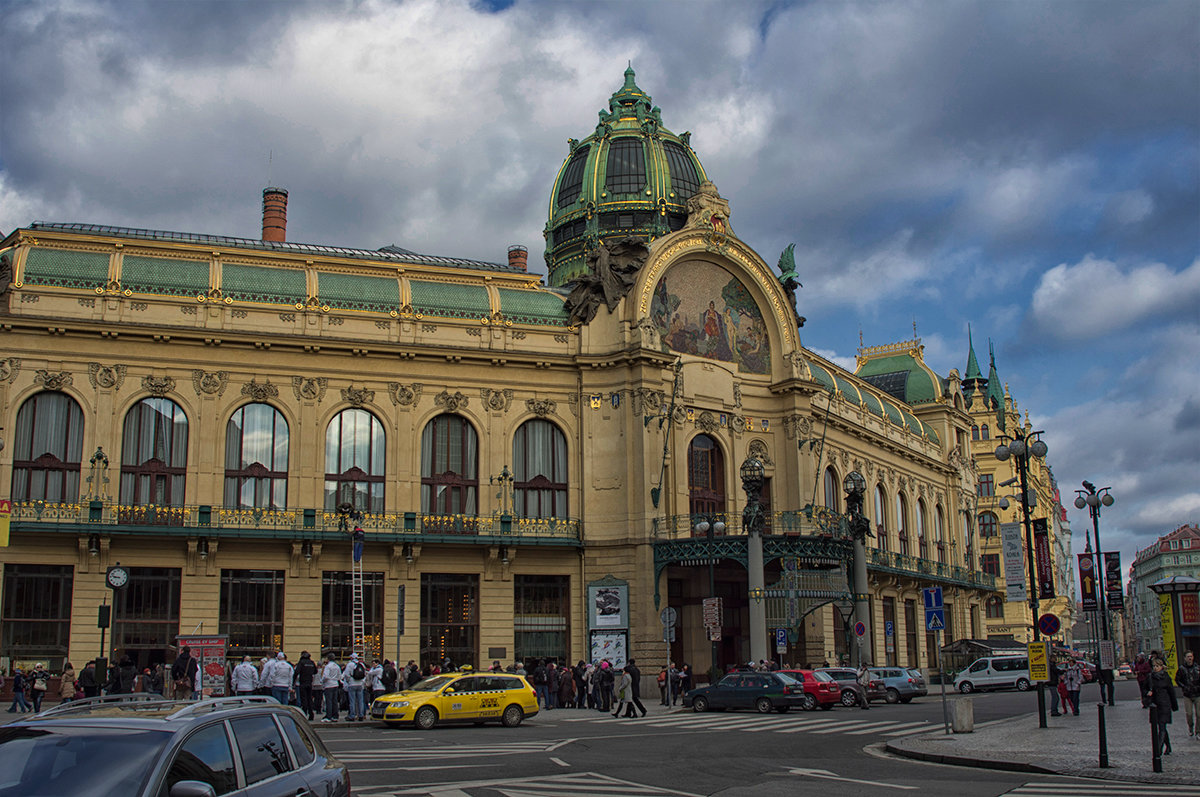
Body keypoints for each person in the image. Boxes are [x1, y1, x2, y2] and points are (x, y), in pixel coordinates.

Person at [1146, 657, 1179, 756]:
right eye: (1154, 666)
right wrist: (1148, 694)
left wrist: (1174, 705)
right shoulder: (1150, 677)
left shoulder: (1166, 677)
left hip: (1165, 704)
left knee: (1162, 726)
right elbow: (1144, 689)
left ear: (1161, 667)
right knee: (1160, 726)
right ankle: (1168, 746)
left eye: (1157, 666)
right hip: (1155, 705)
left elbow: (1171, 692)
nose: (1155, 668)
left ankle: (1158, 749)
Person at [1174, 650, 1200, 737]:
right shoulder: (1182, 669)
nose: (1190, 658)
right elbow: (1177, 679)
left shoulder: (1197, 667)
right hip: (1187, 694)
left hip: (1197, 693)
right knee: (1189, 714)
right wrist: (1184, 687)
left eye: (1191, 656)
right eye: (1188, 657)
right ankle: (1191, 727)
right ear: (1185, 658)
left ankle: (1198, 730)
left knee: (1199, 714)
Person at [294, 651, 319, 721]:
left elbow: (296, 672)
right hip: (309, 682)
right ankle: (311, 714)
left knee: (303, 699)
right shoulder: (311, 662)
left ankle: (304, 713)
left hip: (303, 682)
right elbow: (315, 671)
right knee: (309, 699)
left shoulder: (301, 662)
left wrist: (293, 681)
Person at [343, 653, 368, 721]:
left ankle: (352, 715)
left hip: (352, 684)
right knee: (360, 701)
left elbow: (346, 674)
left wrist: (348, 681)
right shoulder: (361, 665)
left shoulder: (350, 664)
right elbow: (365, 675)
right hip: (360, 684)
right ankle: (361, 715)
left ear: (351, 658)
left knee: (352, 701)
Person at [321, 654, 342, 723]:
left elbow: (326, 676)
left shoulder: (328, 666)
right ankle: (335, 715)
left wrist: (322, 681)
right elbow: (339, 676)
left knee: (328, 701)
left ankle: (328, 716)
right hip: (335, 684)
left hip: (329, 684)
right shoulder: (337, 666)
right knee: (334, 701)